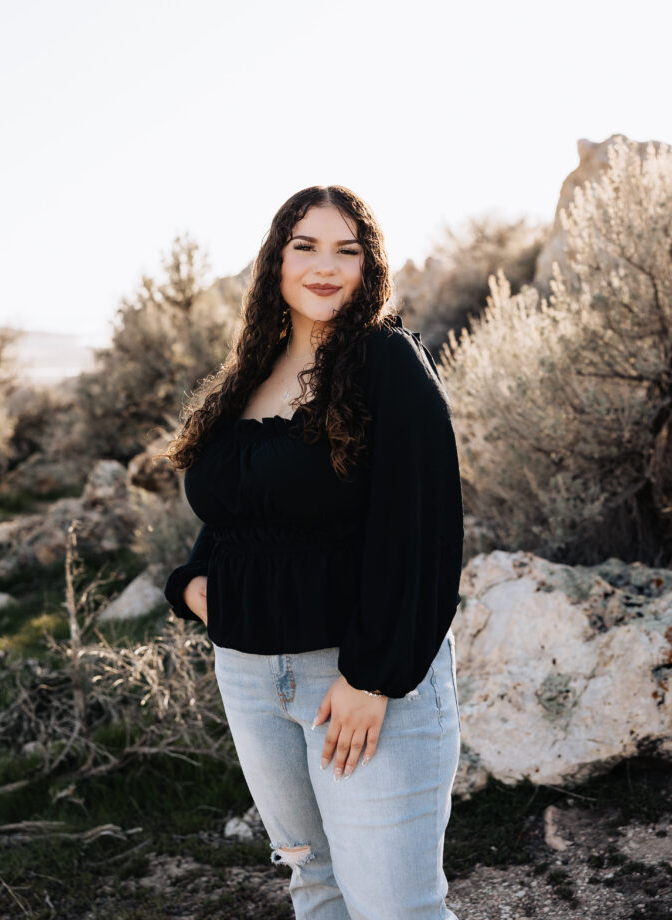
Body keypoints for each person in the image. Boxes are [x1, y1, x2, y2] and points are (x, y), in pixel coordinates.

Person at [160, 184, 464, 920]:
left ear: (370, 267)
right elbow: (241, 506)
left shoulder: (385, 362)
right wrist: (193, 585)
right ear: (275, 261)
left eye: (346, 251)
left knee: (396, 908)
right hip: (250, 678)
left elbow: (423, 525)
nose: (325, 266)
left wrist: (373, 678)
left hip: (355, 679)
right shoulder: (248, 376)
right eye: (305, 246)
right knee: (315, 887)